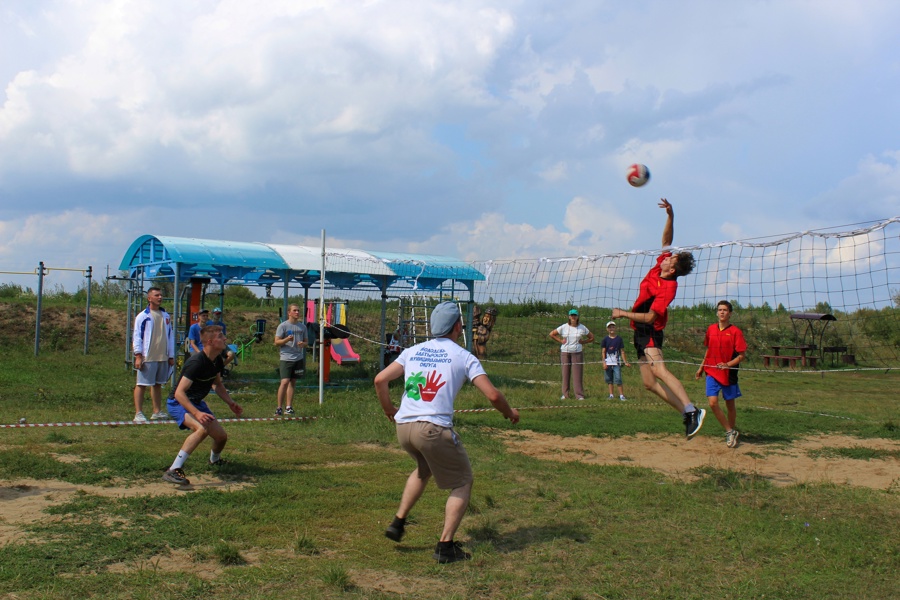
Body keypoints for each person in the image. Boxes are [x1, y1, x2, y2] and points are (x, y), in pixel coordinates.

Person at [374, 302, 519, 564]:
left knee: (423, 469)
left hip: (404, 427)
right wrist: (510, 413)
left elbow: (380, 380)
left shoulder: (413, 351)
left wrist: (389, 410)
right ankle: (445, 546)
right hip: (432, 429)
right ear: (457, 327)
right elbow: (493, 394)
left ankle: (398, 522)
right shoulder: (464, 356)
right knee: (463, 481)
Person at [611, 199, 705, 438]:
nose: (665, 256)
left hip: (650, 331)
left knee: (660, 371)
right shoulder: (657, 269)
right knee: (649, 384)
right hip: (639, 332)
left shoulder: (668, 287)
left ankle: (692, 409)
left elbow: (651, 317)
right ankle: (685, 412)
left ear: (672, 269)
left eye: (669, 259)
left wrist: (623, 313)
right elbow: (666, 241)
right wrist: (671, 215)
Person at [162, 325, 243, 485]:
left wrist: (230, 403)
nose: (225, 339)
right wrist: (197, 414)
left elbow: (217, 384)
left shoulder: (217, 361)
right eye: (221, 336)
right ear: (211, 342)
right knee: (202, 429)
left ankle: (214, 461)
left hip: (196, 402)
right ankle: (173, 469)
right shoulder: (196, 362)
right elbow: (179, 393)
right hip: (178, 402)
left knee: (221, 437)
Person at [695, 300, 747, 448]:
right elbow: (708, 350)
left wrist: (727, 365)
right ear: (717, 312)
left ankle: (732, 431)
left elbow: (741, 355)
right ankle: (729, 431)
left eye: (725, 310)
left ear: (730, 313)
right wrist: (701, 367)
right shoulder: (711, 329)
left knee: (730, 405)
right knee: (712, 402)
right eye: (719, 310)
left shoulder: (736, 332)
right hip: (711, 371)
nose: (722, 312)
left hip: (728, 374)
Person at [132, 287, 175, 423]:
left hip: (162, 356)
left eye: (161, 295)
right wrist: (138, 355)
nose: (160, 297)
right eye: (157, 295)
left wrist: (171, 355)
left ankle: (156, 411)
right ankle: (138, 413)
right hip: (148, 356)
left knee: (157, 384)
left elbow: (170, 336)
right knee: (142, 384)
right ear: (149, 298)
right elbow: (137, 336)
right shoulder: (143, 316)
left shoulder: (166, 316)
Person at [549, 309, 594, 400]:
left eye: (575, 315)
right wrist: (561, 341)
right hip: (565, 352)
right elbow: (552, 334)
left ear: (577, 317)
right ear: (569, 317)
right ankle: (565, 394)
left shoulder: (582, 327)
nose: (573, 317)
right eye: (571, 315)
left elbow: (592, 337)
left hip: (577, 352)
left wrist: (583, 342)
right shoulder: (564, 327)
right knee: (565, 373)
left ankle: (579, 395)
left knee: (577, 374)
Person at [274, 303, 307, 416]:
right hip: (286, 357)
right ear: (289, 313)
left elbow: (306, 342)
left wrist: (303, 344)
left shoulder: (303, 327)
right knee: (284, 382)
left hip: (298, 358)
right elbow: (276, 342)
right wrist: (286, 339)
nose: (297, 312)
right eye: (295, 310)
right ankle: (279, 408)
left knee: (293, 382)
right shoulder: (283, 326)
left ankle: (289, 407)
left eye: (298, 310)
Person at [600, 320, 630, 400]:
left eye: (613, 327)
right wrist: (604, 363)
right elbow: (603, 351)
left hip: (617, 363)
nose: (611, 329)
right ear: (607, 329)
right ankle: (611, 395)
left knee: (618, 379)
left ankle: (621, 395)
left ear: (615, 328)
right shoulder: (605, 339)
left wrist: (625, 362)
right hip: (608, 363)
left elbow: (622, 351)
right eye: (610, 327)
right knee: (609, 380)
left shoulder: (619, 339)